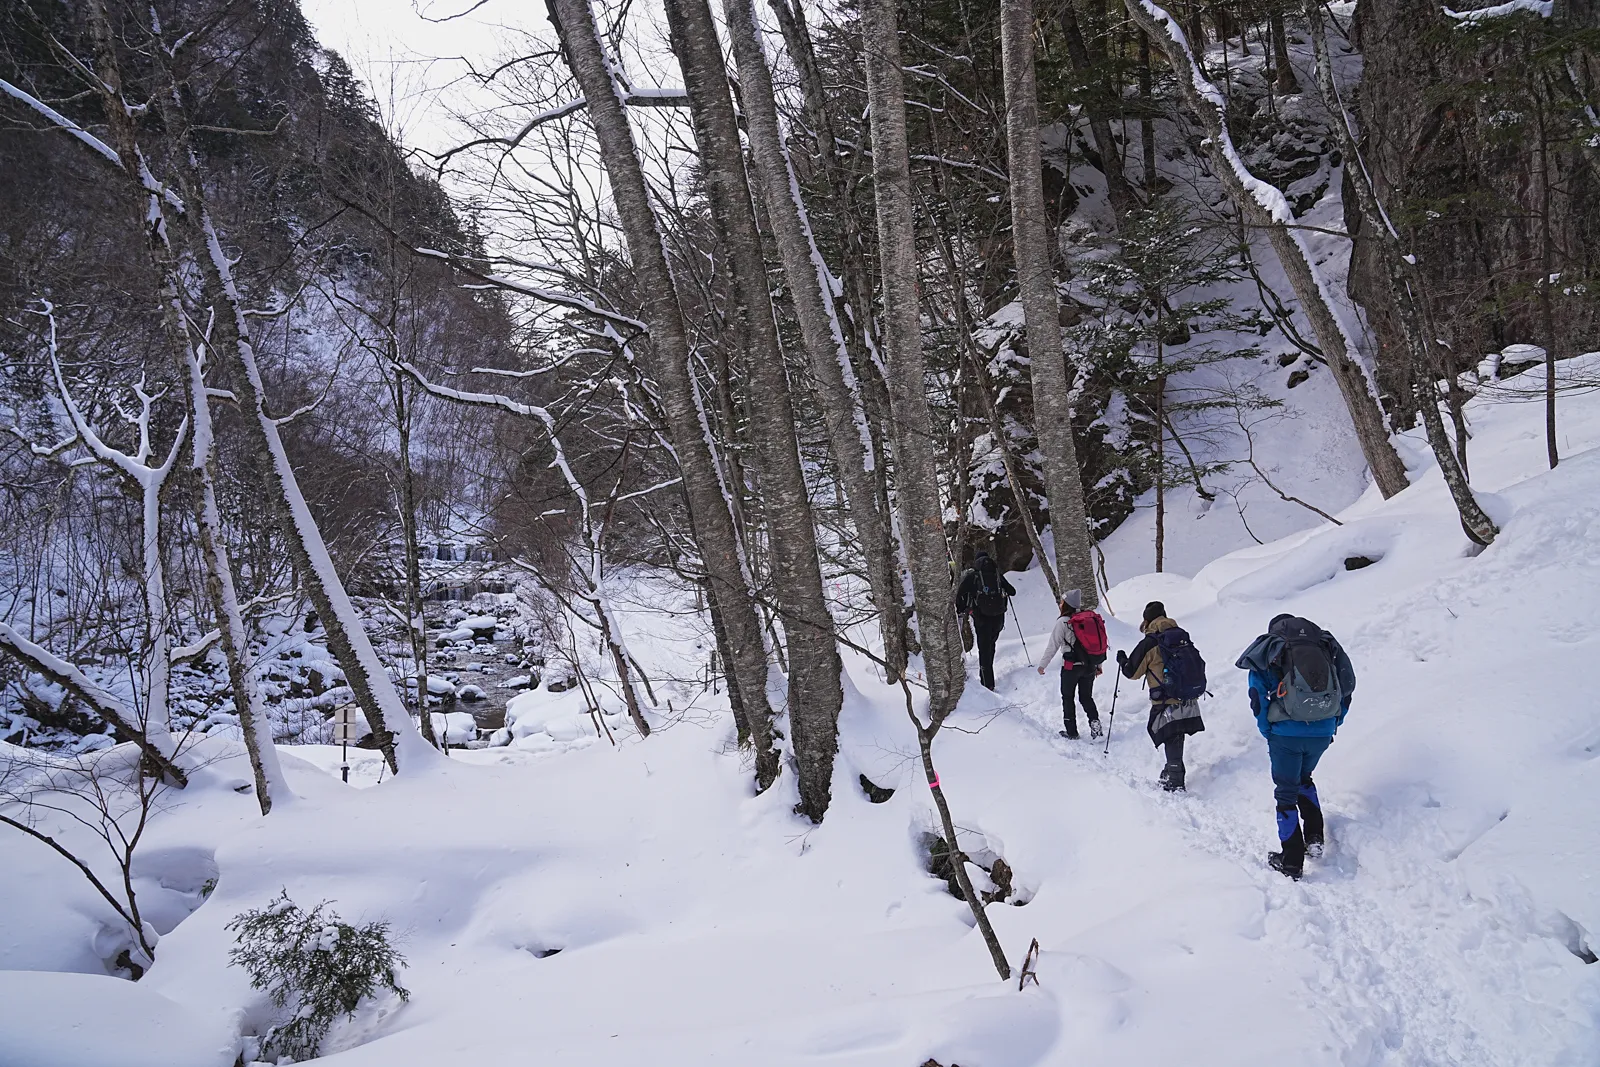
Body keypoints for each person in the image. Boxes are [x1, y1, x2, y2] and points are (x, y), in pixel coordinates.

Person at [1235, 614, 1356, 880]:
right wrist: (1335, 722)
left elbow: (1257, 695)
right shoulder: (1323, 647)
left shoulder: (1270, 650)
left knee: (1286, 792)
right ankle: (1314, 838)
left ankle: (1291, 861)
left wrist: (1267, 728)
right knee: (1304, 779)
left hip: (1285, 734)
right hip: (1322, 731)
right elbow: (1347, 687)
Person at [1117, 600, 1206, 791]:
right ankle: (1172, 770)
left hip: (1165, 697)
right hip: (1188, 695)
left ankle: (1175, 779)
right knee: (1176, 733)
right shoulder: (1181, 636)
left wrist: (1123, 660)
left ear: (1146, 620)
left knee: (1170, 734)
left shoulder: (1150, 642)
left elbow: (1132, 672)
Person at [1035, 589, 1107, 740]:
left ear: (1066, 604)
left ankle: (1072, 732)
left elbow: (1053, 645)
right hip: (1089, 666)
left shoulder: (1063, 622)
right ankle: (1096, 728)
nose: (1060, 604)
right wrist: (1098, 665)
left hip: (1070, 667)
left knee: (1068, 698)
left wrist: (1042, 665)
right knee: (1086, 697)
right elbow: (1097, 644)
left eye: (1062, 601)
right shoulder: (1089, 619)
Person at [955, 549, 1015, 690]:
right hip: (998, 618)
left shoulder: (973, 576)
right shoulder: (997, 575)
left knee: (984, 650)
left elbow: (960, 594)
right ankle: (988, 678)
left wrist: (963, 609)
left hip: (981, 618)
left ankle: (987, 684)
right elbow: (1012, 591)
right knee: (991, 646)